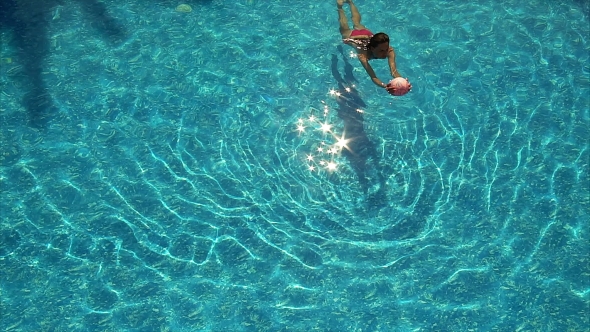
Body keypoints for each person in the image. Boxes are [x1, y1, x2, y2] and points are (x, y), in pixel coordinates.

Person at [337, 0, 411, 95]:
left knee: (357, 22)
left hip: (368, 35)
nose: (385, 53)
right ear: (372, 49)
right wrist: (385, 86)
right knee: (344, 28)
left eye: (386, 49)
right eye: (381, 51)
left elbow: (394, 72)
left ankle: (350, 2)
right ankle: (340, 8)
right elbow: (373, 77)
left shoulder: (390, 51)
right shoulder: (363, 56)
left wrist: (402, 81)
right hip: (352, 36)